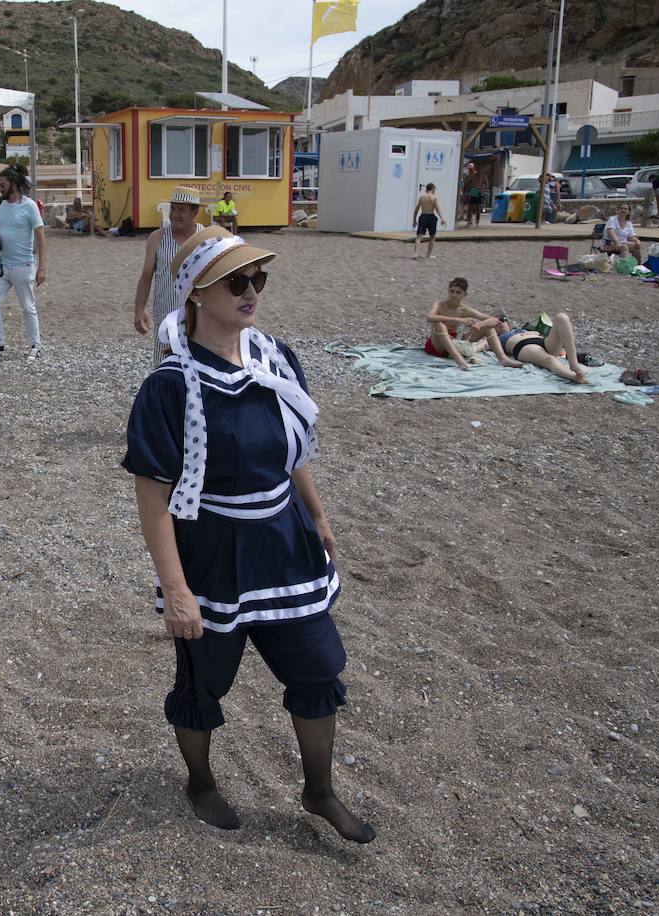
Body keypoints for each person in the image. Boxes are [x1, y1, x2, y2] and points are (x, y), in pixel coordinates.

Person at [123, 225, 374, 844]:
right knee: (203, 683)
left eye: (257, 278)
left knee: (317, 670)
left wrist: (318, 516)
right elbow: (152, 494)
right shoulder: (170, 386)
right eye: (236, 281)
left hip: (284, 543)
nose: (251, 290)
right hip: (213, 552)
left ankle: (319, 791)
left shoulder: (276, 358)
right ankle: (200, 780)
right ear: (196, 295)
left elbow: (295, 453)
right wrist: (175, 589)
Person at [0, 167, 46, 358]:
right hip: (1, 266)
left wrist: (42, 268)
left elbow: (40, 236)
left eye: (3, 185)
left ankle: (35, 346)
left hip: (23, 266)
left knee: (28, 307)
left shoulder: (29, 206)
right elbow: (4, 228)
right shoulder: (2, 205)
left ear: (13, 185)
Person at [133, 187, 202, 367]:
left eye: (182, 209)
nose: (175, 214)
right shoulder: (157, 237)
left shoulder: (207, 238)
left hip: (201, 317)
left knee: (199, 367)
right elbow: (146, 276)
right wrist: (139, 310)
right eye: (173, 208)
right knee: (165, 367)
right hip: (166, 315)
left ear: (195, 212)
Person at [424, 278, 521, 371]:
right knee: (440, 325)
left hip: (455, 340)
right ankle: (459, 360)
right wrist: (458, 320)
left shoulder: (464, 309)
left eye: (458, 292)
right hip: (437, 345)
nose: (454, 295)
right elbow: (429, 317)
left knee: (488, 328)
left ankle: (503, 359)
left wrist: (480, 325)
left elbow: (495, 320)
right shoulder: (439, 305)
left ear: (464, 294)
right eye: (451, 291)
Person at [487, 313, 589, 384]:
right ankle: (574, 377)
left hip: (543, 342)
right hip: (523, 346)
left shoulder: (520, 329)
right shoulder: (494, 337)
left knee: (562, 317)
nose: (499, 322)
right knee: (550, 359)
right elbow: (479, 346)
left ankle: (574, 364)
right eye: (494, 321)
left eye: (502, 319)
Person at [413, 183, 441, 259]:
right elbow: (437, 209)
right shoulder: (434, 197)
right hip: (431, 216)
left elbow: (416, 210)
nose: (435, 191)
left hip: (423, 216)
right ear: (432, 189)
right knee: (432, 236)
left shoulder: (422, 197)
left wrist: (414, 220)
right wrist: (442, 218)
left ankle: (416, 253)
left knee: (419, 237)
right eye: (434, 189)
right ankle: (428, 254)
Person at [462, 162, 487, 227]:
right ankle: (469, 221)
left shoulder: (479, 176)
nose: (470, 170)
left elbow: (485, 184)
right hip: (471, 193)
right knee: (470, 208)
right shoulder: (467, 176)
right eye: (469, 169)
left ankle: (477, 221)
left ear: (474, 168)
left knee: (478, 208)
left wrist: (482, 190)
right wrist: (465, 193)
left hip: (477, 192)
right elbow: (465, 185)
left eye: (471, 169)